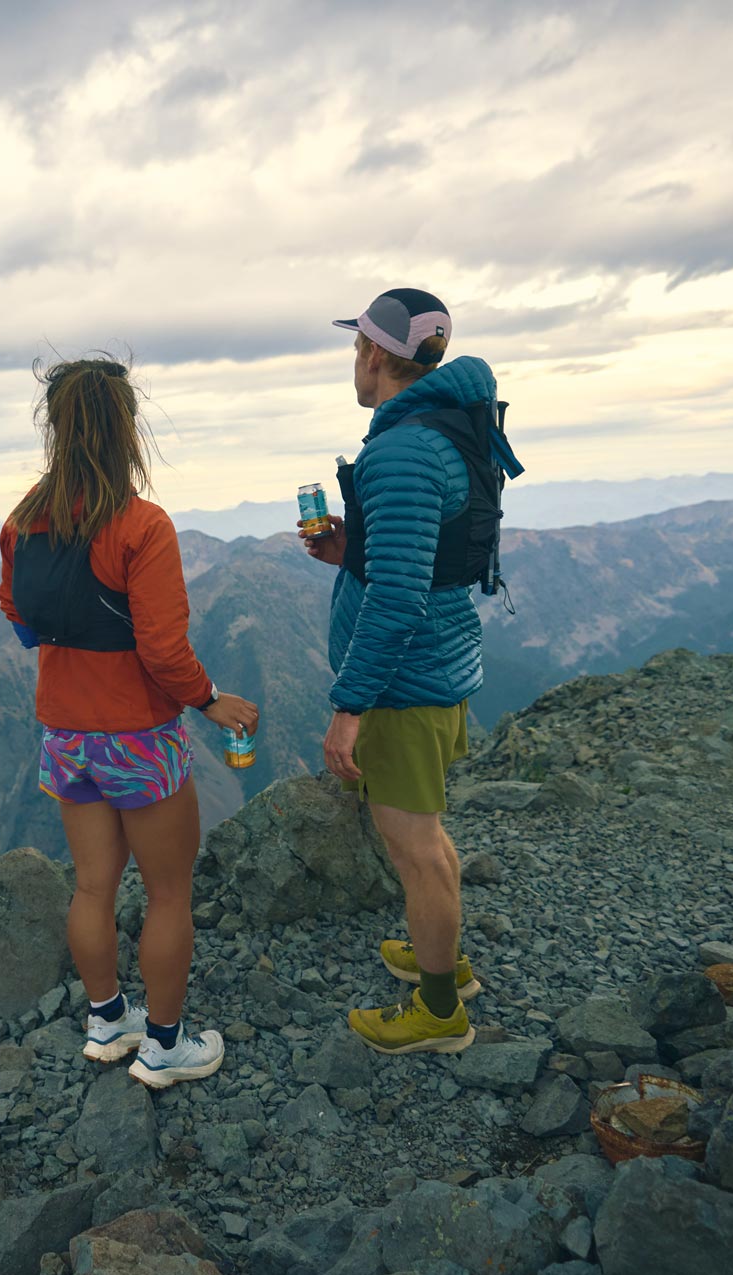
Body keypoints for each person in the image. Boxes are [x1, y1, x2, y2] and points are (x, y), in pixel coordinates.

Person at [0, 354, 260, 1090]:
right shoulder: (141, 525)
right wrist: (210, 701)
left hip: (65, 734)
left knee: (91, 887)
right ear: (126, 430)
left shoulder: (24, 521)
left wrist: (66, 652)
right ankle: (167, 1047)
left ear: (55, 429)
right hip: (138, 737)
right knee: (170, 893)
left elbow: (15, 608)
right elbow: (163, 649)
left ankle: (108, 1025)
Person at [303, 287, 516, 1056]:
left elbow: (395, 601)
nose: (352, 363)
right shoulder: (450, 428)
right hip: (445, 658)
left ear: (373, 353)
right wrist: (350, 548)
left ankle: (437, 1013)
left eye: (355, 347)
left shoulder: (399, 450)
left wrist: (348, 706)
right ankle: (444, 962)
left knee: (414, 846)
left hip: (404, 681)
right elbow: (427, 556)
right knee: (427, 837)